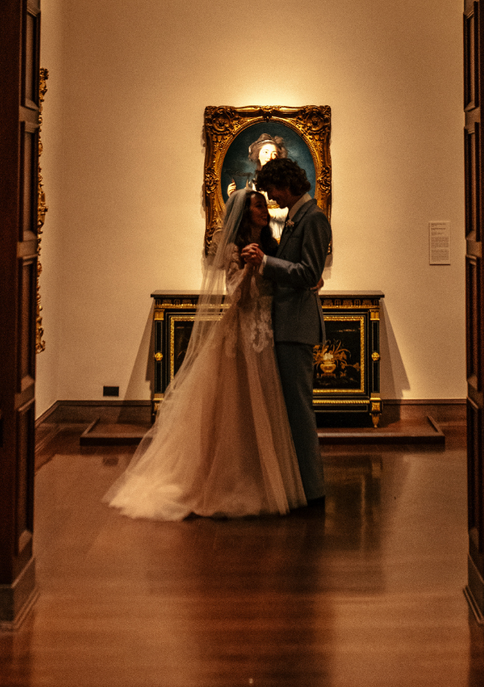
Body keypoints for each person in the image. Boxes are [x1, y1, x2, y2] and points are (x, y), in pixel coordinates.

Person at [105, 189, 306, 520]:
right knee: (235, 407)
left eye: (263, 205)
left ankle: (263, 475)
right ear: (243, 212)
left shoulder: (273, 244)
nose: (264, 210)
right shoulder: (232, 249)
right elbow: (236, 297)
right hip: (240, 333)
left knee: (266, 406)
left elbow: (281, 282)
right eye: (257, 206)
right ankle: (226, 478)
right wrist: (250, 268)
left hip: (267, 333)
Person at [241, 158, 331, 506]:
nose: (271, 197)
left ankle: (313, 491)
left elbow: (309, 273)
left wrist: (265, 262)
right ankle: (298, 487)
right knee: (290, 411)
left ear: (287, 184)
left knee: (299, 411)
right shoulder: (297, 217)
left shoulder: (314, 218)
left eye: (273, 189)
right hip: (286, 324)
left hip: (296, 327)